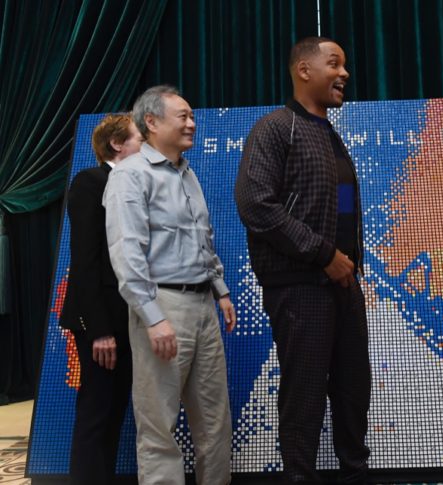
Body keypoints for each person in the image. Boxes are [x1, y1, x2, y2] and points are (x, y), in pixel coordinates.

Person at [235, 37, 371, 484]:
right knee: (305, 395)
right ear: (304, 70)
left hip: (343, 285)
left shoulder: (329, 135)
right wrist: (323, 254)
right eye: (334, 63)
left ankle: (356, 475)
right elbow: (255, 205)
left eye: (345, 65)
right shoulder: (275, 128)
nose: (344, 73)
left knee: (353, 390)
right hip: (299, 286)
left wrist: (347, 264)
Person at [104, 85, 235, 485]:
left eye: (192, 116)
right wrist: (153, 317)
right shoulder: (129, 175)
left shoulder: (187, 173)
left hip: (203, 305)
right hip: (162, 305)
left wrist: (220, 289)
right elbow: (127, 252)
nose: (192, 123)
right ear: (152, 122)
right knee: (159, 424)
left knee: (215, 419)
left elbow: (201, 237)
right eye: (183, 116)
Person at [59, 113, 142, 484]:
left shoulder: (134, 186)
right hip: (101, 322)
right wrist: (99, 331)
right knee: (96, 412)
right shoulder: (91, 182)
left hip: (128, 319)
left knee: (114, 411)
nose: (146, 146)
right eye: (139, 139)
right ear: (117, 144)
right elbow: (85, 260)